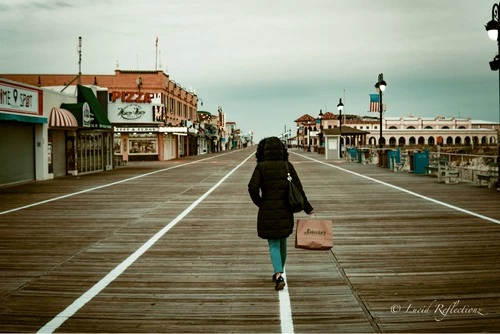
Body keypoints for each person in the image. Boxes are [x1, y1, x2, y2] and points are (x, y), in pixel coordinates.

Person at [248, 137, 314, 290]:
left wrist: (260, 202)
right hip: (286, 209)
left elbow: (252, 188)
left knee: (273, 244)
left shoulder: (261, 167)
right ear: (282, 150)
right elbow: (299, 189)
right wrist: (308, 208)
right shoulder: (287, 166)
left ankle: (278, 275)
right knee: (283, 241)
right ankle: (280, 272)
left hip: (267, 209)